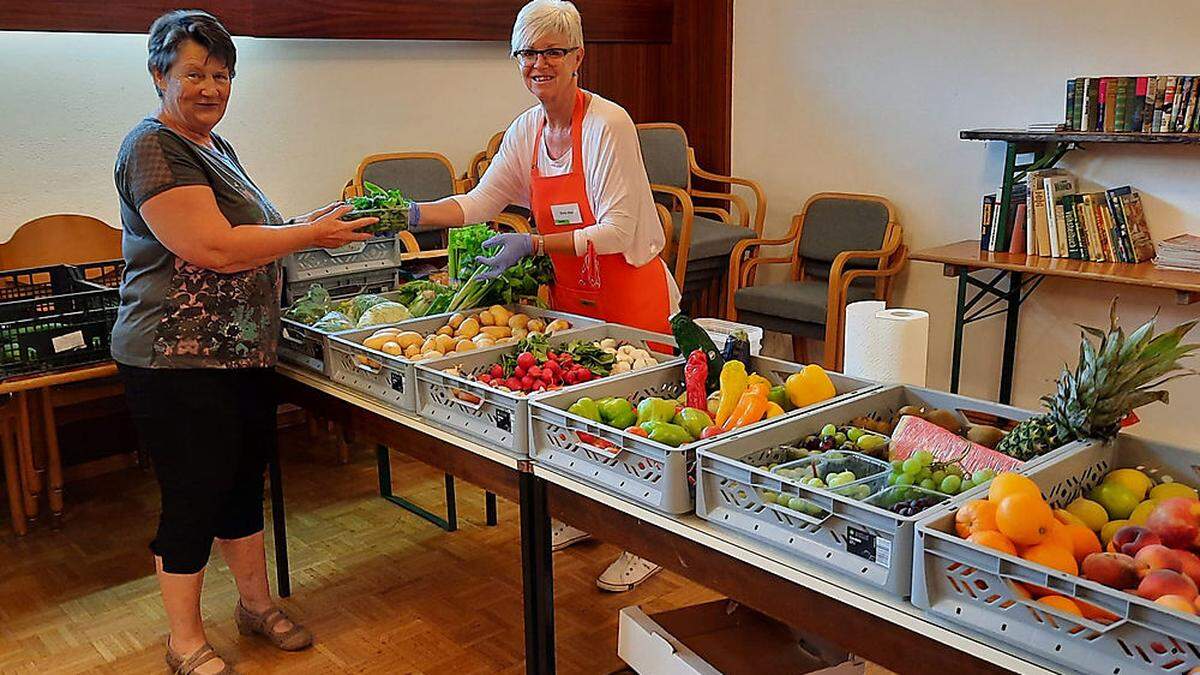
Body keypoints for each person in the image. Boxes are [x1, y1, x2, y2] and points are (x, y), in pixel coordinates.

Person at [113, 11, 374, 674]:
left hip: (244, 351)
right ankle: (183, 641)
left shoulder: (214, 147)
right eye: (193, 73)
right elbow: (212, 246)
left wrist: (304, 223)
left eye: (222, 74)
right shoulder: (151, 147)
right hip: (176, 357)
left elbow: (252, 230)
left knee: (239, 484)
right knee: (194, 493)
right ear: (158, 75)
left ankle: (254, 606)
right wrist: (307, 236)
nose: (210, 87)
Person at [411, 0, 676, 592]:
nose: (539, 63)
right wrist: (410, 212)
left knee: (640, 422)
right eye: (527, 52)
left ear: (578, 57)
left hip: (628, 288)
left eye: (553, 51)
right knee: (578, 416)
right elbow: (479, 203)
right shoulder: (526, 131)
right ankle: (588, 519)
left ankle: (648, 542)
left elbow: (614, 229)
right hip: (572, 293)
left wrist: (532, 243)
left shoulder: (609, 124)